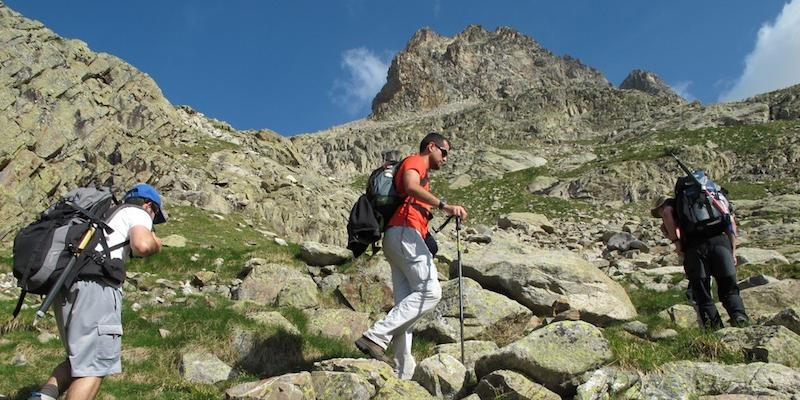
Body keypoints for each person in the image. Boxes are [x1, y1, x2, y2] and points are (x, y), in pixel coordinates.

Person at [31, 183, 166, 400]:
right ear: (149, 205)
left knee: (79, 358)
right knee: (95, 366)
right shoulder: (137, 212)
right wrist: (156, 243)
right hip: (96, 289)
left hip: (68, 285)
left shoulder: (106, 215)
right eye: (155, 216)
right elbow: (142, 245)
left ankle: (44, 396)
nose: (153, 221)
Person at [355, 132, 468, 379]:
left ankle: (403, 373)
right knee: (431, 292)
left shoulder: (422, 172)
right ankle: (376, 336)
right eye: (444, 152)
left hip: (397, 237)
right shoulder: (416, 161)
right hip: (404, 233)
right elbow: (410, 186)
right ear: (431, 147)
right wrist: (445, 206)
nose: (446, 158)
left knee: (405, 308)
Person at [655, 184, 749, 329]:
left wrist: (676, 242)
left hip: (695, 248)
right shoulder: (714, 198)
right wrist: (733, 251)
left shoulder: (676, 205)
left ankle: (714, 329)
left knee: (702, 294)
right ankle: (739, 317)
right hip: (721, 243)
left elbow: (667, 213)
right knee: (729, 289)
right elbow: (730, 222)